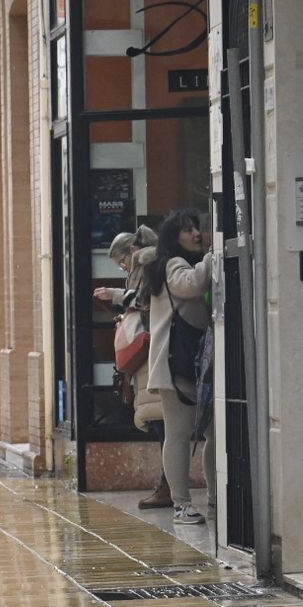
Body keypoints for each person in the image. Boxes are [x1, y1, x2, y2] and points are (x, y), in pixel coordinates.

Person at [146, 209, 216, 526]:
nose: (196, 234)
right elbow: (189, 285)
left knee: (212, 434)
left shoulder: (169, 265)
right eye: (188, 230)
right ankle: (181, 505)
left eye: (197, 228)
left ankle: (215, 500)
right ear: (174, 238)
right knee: (178, 435)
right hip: (175, 366)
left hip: (187, 364)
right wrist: (212, 258)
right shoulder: (174, 264)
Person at [94, 226, 168, 509]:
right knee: (160, 421)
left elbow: (145, 301)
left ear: (132, 251)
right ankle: (168, 485)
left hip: (152, 352)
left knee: (162, 422)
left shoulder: (147, 264)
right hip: (150, 352)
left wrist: (115, 295)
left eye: (121, 261)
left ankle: (169, 487)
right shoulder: (144, 265)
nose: (123, 267)